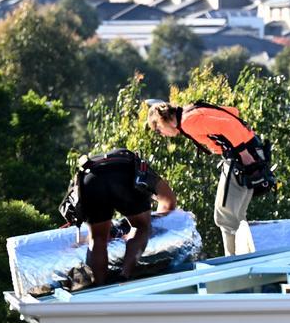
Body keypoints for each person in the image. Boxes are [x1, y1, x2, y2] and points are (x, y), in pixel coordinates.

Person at [145, 100, 267, 256]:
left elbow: (227, 126)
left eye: (158, 130)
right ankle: (245, 255)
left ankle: (235, 260)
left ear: (162, 120)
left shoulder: (188, 122)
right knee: (235, 214)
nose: (161, 135)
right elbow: (232, 112)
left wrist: (244, 153)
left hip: (241, 158)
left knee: (224, 215)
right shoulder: (190, 111)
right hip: (248, 152)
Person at [73, 150, 177, 286]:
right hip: (123, 174)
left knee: (97, 237)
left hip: (90, 178)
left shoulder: (92, 164)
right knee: (140, 227)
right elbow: (168, 200)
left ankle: (100, 285)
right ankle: (124, 275)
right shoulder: (140, 168)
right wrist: (154, 223)